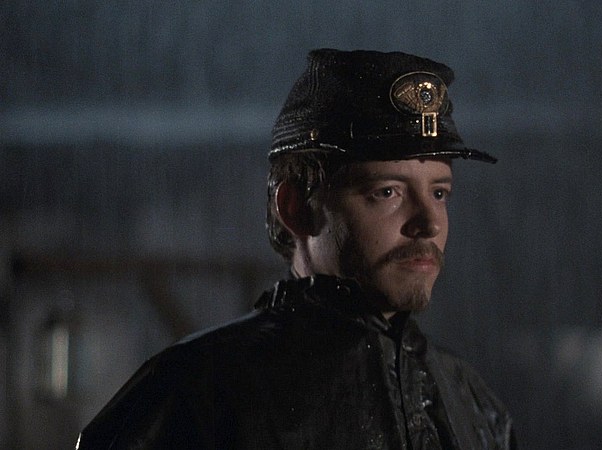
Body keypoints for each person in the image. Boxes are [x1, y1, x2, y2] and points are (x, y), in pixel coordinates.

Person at [77, 49, 515, 449]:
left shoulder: (471, 401)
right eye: (387, 192)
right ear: (295, 208)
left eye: (439, 193)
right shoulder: (195, 392)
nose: (429, 223)